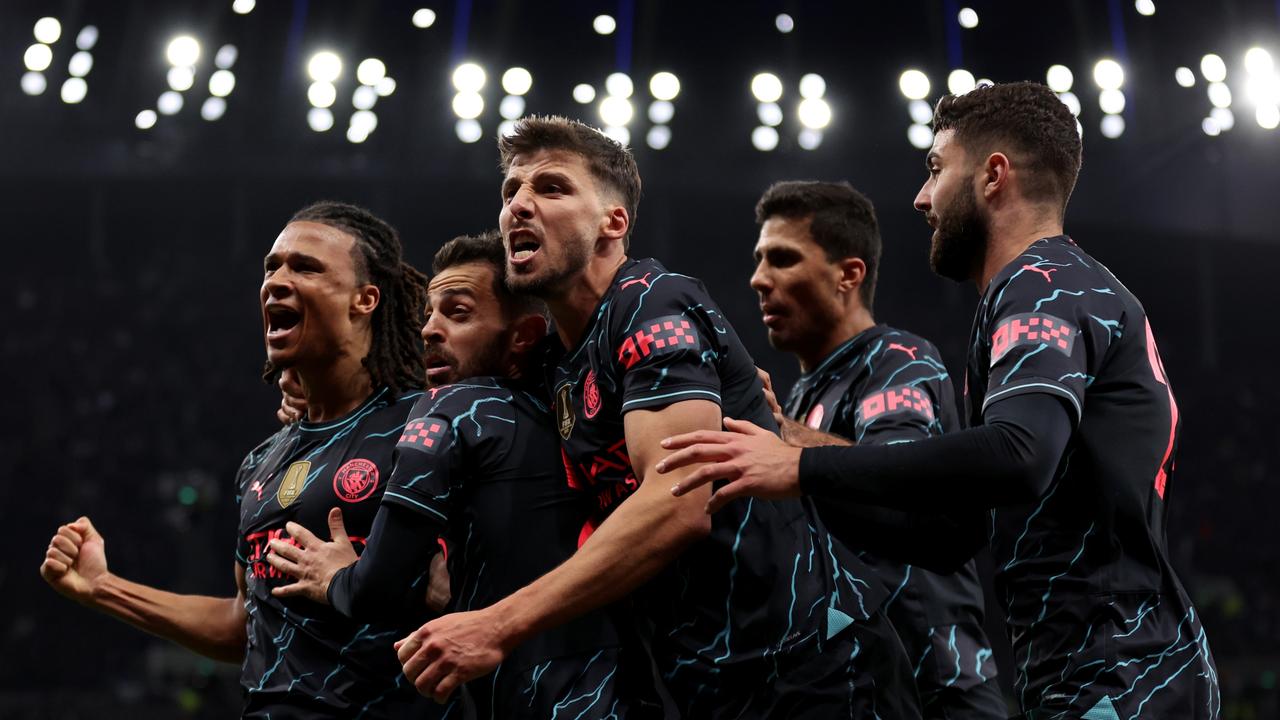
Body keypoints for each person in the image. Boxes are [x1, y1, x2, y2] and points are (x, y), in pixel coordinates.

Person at [659, 82, 1220, 719]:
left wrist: (802, 465)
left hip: (1124, 670)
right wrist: (793, 463)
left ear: (993, 176)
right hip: (1081, 671)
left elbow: (1020, 452)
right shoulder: (1032, 295)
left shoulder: (1045, 283)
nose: (922, 198)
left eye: (934, 169)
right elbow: (954, 533)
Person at [395, 116, 922, 718]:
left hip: (816, 664)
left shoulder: (651, 301)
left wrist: (497, 625)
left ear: (612, 224)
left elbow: (679, 503)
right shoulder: (553, 360)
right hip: (709, 683)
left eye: (551, 187)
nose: (518, 204)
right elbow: (465, 380)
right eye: (510, 190)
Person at [39, 201, 446, 718]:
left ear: (364, 300)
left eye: (305, 267)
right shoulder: (262, 462)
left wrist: (358, 582)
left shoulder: (424, 426)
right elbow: (244, 624)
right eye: (271, 267)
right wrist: (104, 587)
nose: (276, 280)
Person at [262, 231, 667, 718]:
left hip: (538, 696)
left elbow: (374, 589)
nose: (429, 329)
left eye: (457, 313)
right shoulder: (575, 407)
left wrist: (335, 578)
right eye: (429, 314)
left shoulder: (452, 410)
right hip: (628, 685)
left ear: (523, 335)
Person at [750, 179, 1007, 718]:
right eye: (759, 260)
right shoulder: (805, 392)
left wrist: (785, 439)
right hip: (853, 687)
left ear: (849, 274)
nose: (759, 279)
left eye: (783, 259)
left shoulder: (896, 359)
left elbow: (903, 474)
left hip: (934, 687)